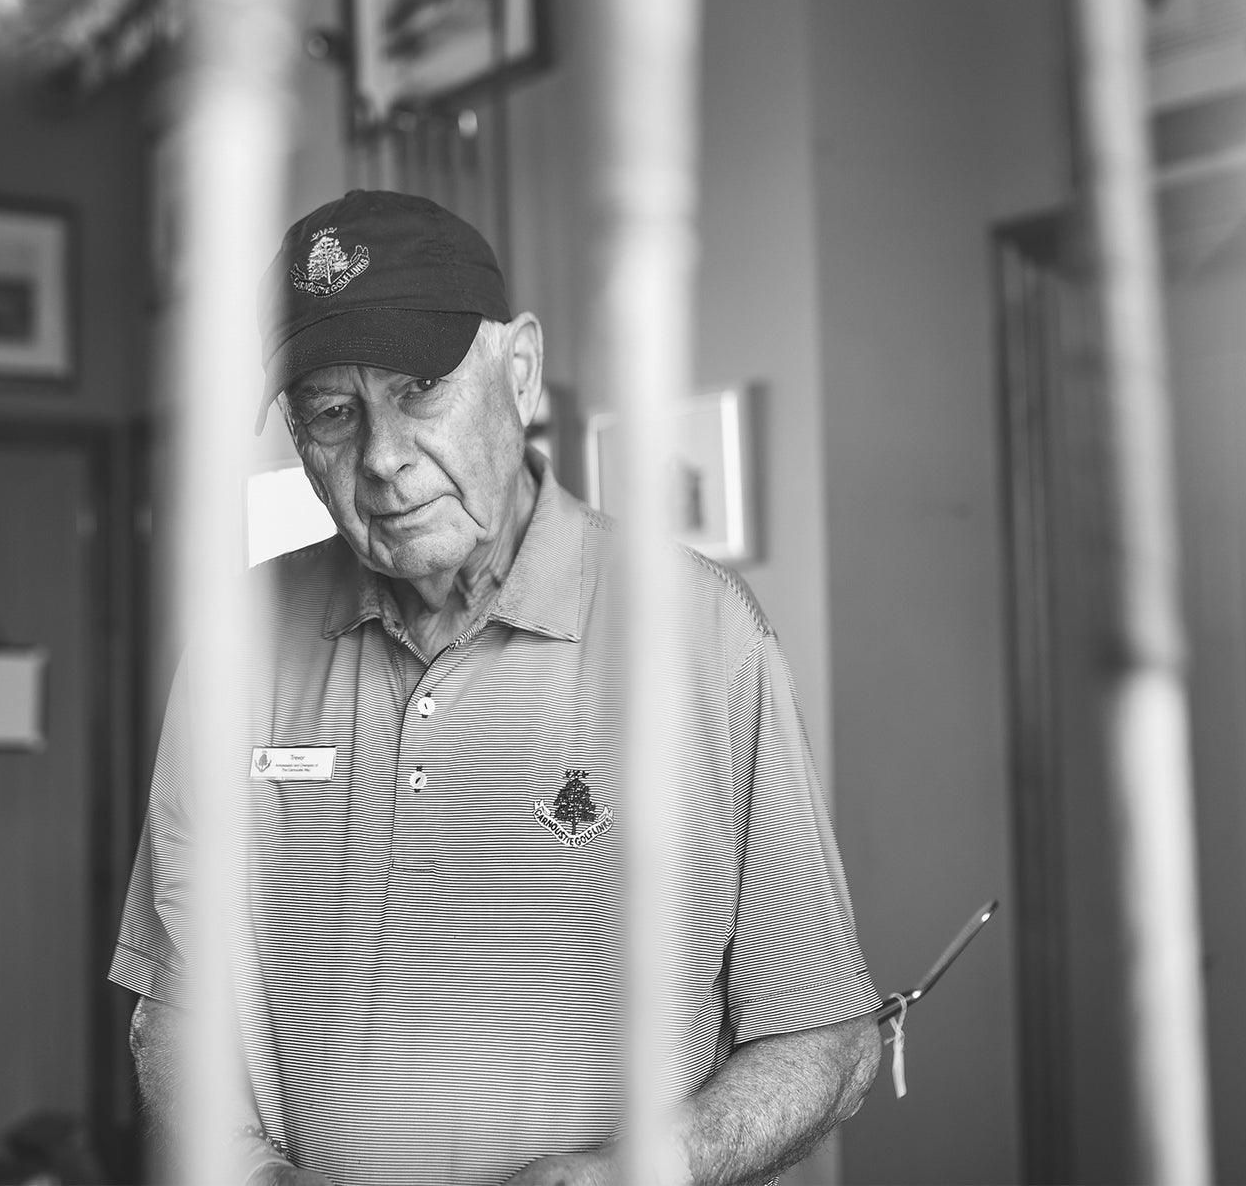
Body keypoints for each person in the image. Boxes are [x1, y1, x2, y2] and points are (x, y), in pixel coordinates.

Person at [111, 191, 882, 1186]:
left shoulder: (701, 633)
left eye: (419, 388)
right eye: (331, 414)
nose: (383, 459)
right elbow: (171, 1011)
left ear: (517, 372)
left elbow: (826, 1039)